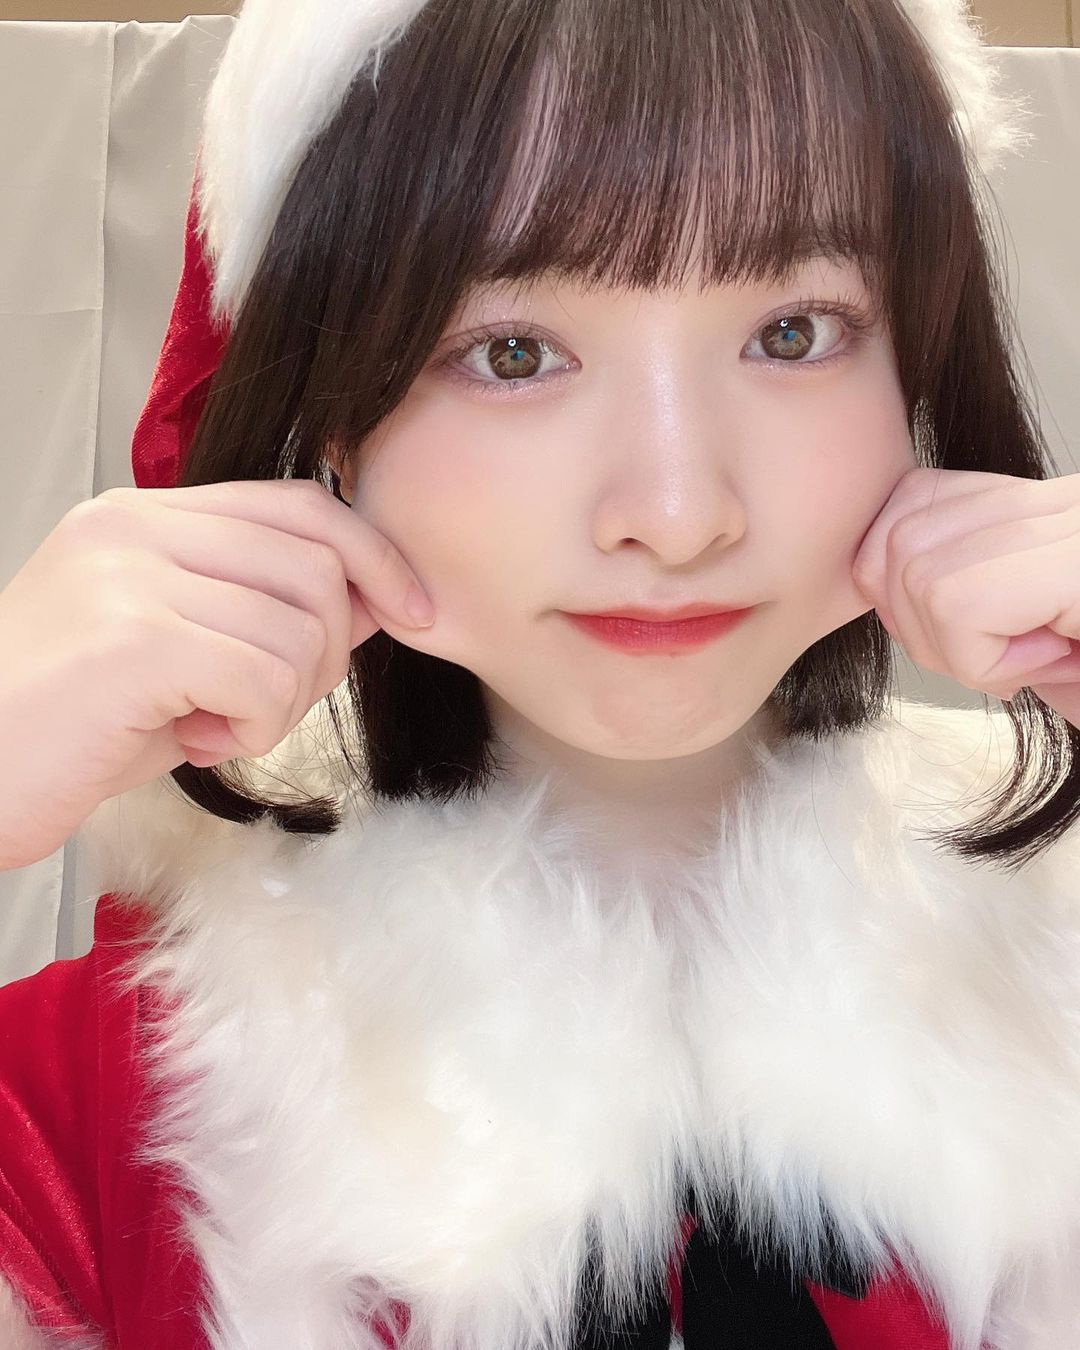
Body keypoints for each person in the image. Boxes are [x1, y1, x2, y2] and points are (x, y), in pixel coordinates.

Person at [1, 0, 1079, 1346]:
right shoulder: (111, 1101)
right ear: (329, 420)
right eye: (515, 353)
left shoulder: (1058, 992)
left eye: (795, 332)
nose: (678, 514)